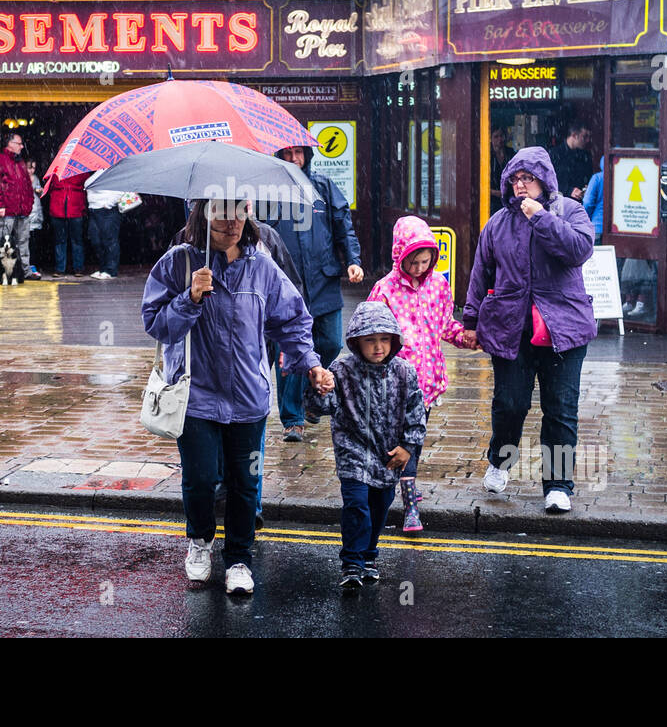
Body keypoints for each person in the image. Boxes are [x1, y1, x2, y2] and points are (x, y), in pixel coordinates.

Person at [143, 198, 333, 596]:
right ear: (202, 213)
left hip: (248, 398)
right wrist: (190, 298)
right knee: (198, 480)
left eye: (239, 210)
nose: (232, 221)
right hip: (195, 396)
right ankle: (199, 542)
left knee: (245, 483)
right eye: (221, 211)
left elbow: (293, 320)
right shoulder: (179, 263)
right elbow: (157, 325)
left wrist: (311, 364)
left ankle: (239, 559)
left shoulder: (262, 267)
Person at [463, 146, 595, 514]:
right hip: (511, 329)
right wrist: (471, 322)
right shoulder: (497, 224)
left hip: (564, 331)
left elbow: (579, 250)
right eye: (515, 179)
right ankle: (500, 462)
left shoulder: (570, 211)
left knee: (560, 409)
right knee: (510, 404)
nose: (520, 186)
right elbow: (481, 274)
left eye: (528, 179)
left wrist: (541, 218)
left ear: (544, 181)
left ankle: (558, 486)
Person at [304, 301, 425, 590]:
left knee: (380, 506)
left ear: (394, 340)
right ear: (357, 341)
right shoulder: (342, 369)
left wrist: (408, 447)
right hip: (353, 450)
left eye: (384, 339)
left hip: (388, 453)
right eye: (370, 340)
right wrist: (319, 390)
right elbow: (322, 407)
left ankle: (370, 554)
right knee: (357, 504)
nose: (378, 346)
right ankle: (352, 562)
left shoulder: (404, 372)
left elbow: (416, 413)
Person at [366, 215, 474, 531]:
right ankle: (410, 505)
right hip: (393, 382)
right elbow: (368, 332)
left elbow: (445, 325)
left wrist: (468, 337)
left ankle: (403, 488)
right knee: (402, 440)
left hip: (426, 382)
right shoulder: (384, 290)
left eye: (424, 262)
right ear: (400, 256)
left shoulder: (439, 284)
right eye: (412, 262)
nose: (418, 268)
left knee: (414, 439)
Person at [262, 145, 363, 442]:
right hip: (286, 286)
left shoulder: (323, 187)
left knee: (331, 341)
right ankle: (293, 419)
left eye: (299, 153)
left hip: (323, 279)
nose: (294, 159)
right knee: (290, 350)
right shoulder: (268, 193)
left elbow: (344, 226)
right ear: (278, 157)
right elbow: (258, 235)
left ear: (308, 154)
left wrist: (353, 260)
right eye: (287, 154)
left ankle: (310, 391)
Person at [0, 133, 34, 279]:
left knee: (23, 242)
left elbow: (27, 185)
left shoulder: (20, 163)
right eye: (19, 143)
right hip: (7, 209)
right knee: (2, 241)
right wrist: (0, 204)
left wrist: (29, 203)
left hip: (22, 210)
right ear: (10, 144)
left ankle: (25, 271)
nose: (21, 146)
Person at [46, 169, 89, 277]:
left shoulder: (81, 169)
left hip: (75, 207)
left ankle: (78, 268)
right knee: (60, 240)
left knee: (76, 240)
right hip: (59, 207)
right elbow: (48, 185)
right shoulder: (55, 169)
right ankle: (60, 269)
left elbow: (87, 184)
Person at [85, 168, 122, 279]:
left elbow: (121, 190)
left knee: (109, 240)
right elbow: (88, 184)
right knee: (96, 240)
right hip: (94, 210)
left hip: (107, 211)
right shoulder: (98, 172)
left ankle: (111, 270)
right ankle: (103, 268)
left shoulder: (113, 172)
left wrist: (108, 204)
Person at [549, 121, 594, 201]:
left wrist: (587, 187)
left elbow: (588, 177)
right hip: (558, 202)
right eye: (584, 136)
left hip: (579, 202)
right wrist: (568, 190)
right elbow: (548, 181)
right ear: (574, 135)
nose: (587, 140)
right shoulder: (554, 154)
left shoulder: (585, 155)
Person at [25, 158, 45, 279]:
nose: (32, 170)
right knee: (23, 243)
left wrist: (40, 191)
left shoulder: (36, 178)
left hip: (35, 213)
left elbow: (40, 194)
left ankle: (32, 265)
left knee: (34, 243)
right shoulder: (20, 178)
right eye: (29, 167)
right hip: (25, 214)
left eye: (33, 168)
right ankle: (25, 266)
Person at [489, 126, 515, 213]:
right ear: (490, 138)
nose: (500, 139)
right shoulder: (486, 154)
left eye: (501, 136)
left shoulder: (511, 153)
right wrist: (494, 192)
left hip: (509, 199)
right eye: (496, 136)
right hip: (491, 202)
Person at [581, 157, 604, 242]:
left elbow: (587, 202)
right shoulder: (621, 179)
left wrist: (586, 220)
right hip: (617, 230)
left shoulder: (597, 178)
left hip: (597, 227)